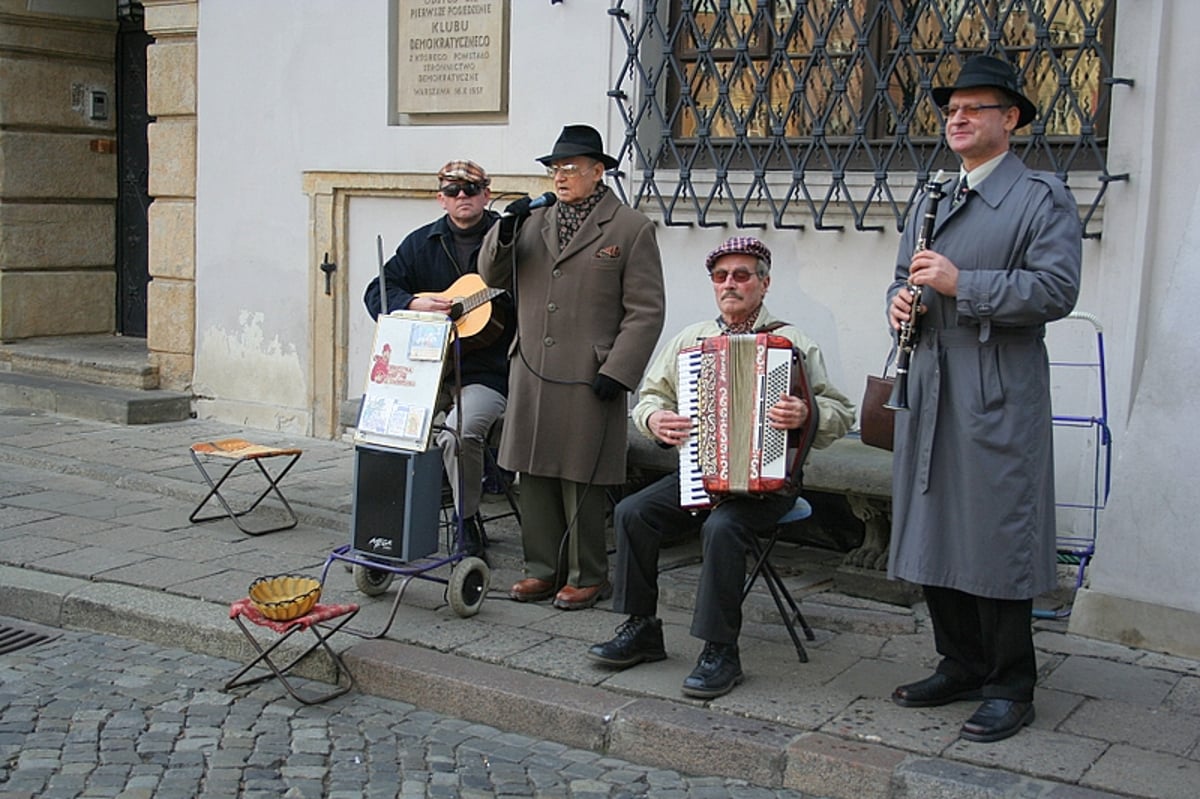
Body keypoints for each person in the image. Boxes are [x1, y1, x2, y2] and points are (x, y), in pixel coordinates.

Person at [886, 56, 1082, 742]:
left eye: (975, 108)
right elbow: (902, 279)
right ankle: (959, 661)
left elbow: (1056, 291)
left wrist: (961, 283)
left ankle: (1010, 681)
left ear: (1012, 119)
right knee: (931, 523)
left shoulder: (1040, 197)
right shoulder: (933, 196)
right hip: (932, 379)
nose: (958, 118)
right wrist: (899, 302)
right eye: (951, 109)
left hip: (997, 384)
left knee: (997, 533)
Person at [587, 236, 855, 698]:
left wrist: (808, 414)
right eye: (720, 276)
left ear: (764, 284)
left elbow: (841, 411)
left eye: (741, 275)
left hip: (771, 485)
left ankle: (720, 651)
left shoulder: (792, 342)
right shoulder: (692, 341)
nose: (729, 284)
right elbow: (650, 397)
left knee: (723, 528)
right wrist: (654, 419)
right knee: (633, 512)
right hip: (700, 472)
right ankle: (642, 628)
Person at [478, 124, 665, 610]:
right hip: (534, 367)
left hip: (591, 373)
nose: (559, 178)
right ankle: (542, 568)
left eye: (570, 169)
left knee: (583, 474)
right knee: (533, 469)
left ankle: (588, 573)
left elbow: (646, 310)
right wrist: (504, 226)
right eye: (554, 169)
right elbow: (491, 276)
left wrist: (620, 370)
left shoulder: (629, 227)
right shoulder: (535, 221)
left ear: (597, 172)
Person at [363, 159, 514, 562]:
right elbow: (376, 292)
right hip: (426, 371)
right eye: (453, 191)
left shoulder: (509, 239)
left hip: (487, 373)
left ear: (486, 193)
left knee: (458, 433)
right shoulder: (421, 243)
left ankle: (466, 520)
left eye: (471, 189)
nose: (462, 197)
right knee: (383, 427)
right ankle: (386, 527)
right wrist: (413, 302)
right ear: (440, 199)